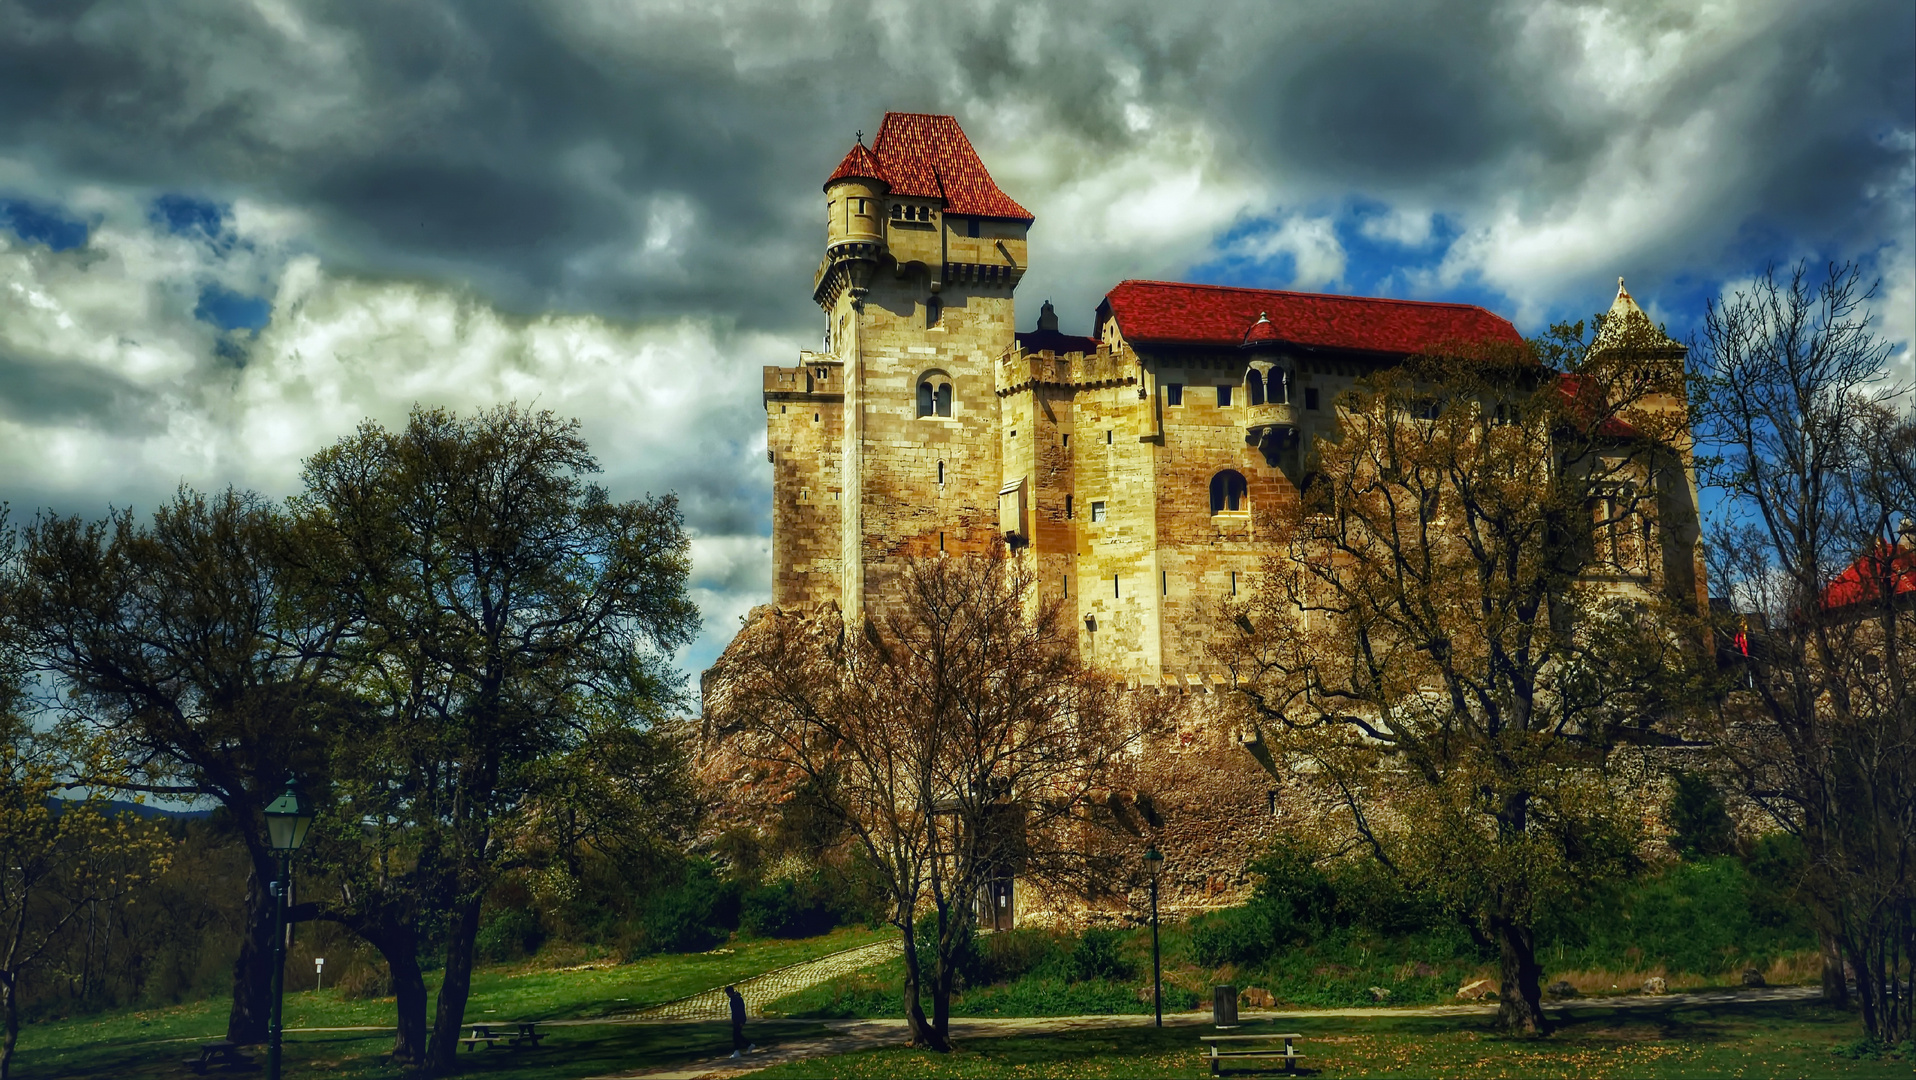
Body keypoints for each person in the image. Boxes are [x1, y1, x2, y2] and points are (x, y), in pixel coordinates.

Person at [726, 984, 754, 1057]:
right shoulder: (735, 998)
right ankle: (748, 1045)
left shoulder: (736, 999)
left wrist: (741, 1021)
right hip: (737, 1019)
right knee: (737, 1034)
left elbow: (739, 1011)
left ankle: (737, 1050)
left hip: (739, 1019)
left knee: (736, 1035)